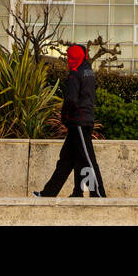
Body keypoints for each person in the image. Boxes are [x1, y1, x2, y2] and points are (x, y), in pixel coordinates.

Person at [34, 43, 106, 198]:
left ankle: (98, 194)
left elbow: (71, 100)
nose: (68, 60)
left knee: (87, 159)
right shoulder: (88, 71)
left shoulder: (74, 74)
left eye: (69, 56)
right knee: (67, 160)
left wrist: (64, 117)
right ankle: (52, 193)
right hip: (85, 120)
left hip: (77, 122)